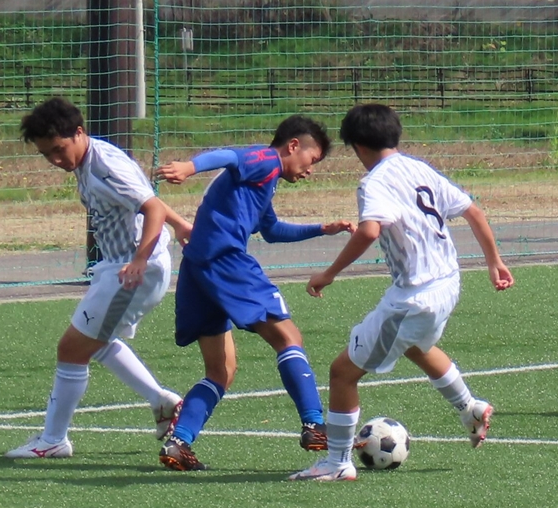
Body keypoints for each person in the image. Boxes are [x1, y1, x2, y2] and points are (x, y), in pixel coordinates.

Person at [289, 103, 514, 482]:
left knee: (342, 373)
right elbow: (473, 211)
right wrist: (494, 261)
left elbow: (369, 230)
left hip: (414, 297)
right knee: (415, 346)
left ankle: (337, 463)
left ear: (359, 146)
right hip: (448, 284)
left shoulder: (374, 183)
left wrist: (329, 273)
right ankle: (469, 408)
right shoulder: (418, 168)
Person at [154, 115, 354, 471]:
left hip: (196, 269)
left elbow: (272, 230)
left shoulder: (263, 182)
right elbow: (230, 156)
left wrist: (322, 229)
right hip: (226, 261)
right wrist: (189, 167)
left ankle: (179, 442)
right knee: (289, 337)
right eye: (311, 160)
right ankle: (314, 424)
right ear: (293, 146)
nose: (310, 170)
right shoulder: (266, 160)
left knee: (221, 370)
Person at [5, 97, 191, 459]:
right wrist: (182, 224)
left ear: (79, 133)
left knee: (72, 348)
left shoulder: (104, 165)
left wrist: (139, 260)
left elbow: (151, 207)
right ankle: (161, 401)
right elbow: (145, 198)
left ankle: (53, 440)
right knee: (96, 342)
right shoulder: (87, 160)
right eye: (46, 155)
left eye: (58, 150)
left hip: (133, 270)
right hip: (119, 266)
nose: (55, 160)